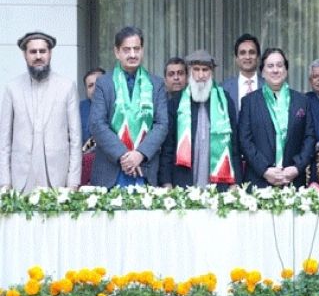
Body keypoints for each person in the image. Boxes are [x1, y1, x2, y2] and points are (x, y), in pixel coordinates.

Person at [0, 31, 82, 192]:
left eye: (42, 51)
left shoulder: (67, 87)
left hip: (57, 177)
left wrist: (73, 182)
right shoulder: (12, 88)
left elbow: (76, 138)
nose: (38, 56)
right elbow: (4, 140)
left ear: (50, 53)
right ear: (25, 55)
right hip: (21, 177)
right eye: (33, 52)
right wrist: (5, 182)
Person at [89, 26, 168, 188]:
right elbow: (97, 124)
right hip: (111, 170)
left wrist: (139, 154)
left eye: (136, 49)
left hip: (144, 168)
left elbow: (162, 124)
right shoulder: (104, 83)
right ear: (117, 52)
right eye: (127, 50)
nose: (132, 54)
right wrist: (125, 156)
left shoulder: (156, 84)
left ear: (142, 50)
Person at [160, 50, 241, 190]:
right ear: (190, 73)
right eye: (196, 70)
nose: (201, 75)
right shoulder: (177, 102)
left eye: (205, 70)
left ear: (212, 72)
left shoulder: (224, 101)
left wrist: (235, 181)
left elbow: (234, 145)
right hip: (184, 179)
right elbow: (168, 147)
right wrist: (166, 182)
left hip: (219, 180)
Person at [238, 48, 315, 188]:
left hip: (293, 181)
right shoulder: (249, 102)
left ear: (286, 70)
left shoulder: (302, 101)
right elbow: (244, 140)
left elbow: (310, 137)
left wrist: (297, 167)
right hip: (258, 181)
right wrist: (265, 170)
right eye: (270, 66)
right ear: (262, 72)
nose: (275, 70)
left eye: (280, 65)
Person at [222, 33, 263, 112]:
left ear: (258, 57)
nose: (247, 57)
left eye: (252, 52)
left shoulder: (268, 87)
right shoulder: (224, 88)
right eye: (243, 53)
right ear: (236, 58)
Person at [80, 67, 105, 148]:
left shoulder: (118, 107)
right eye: (90, 86)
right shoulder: (79, 109)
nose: (95, 88)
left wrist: (85, 149)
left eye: (99, 83)